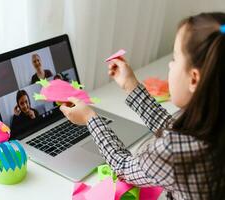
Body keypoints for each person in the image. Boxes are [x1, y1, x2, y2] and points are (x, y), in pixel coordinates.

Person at [60, 12, 225, 199]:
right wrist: (131, 86)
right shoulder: (209, 120)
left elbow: (123, 167)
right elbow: (173, 127)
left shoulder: (172, 151)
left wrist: (90, 118)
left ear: (194, 79)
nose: (170, 66)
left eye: (175, 59)